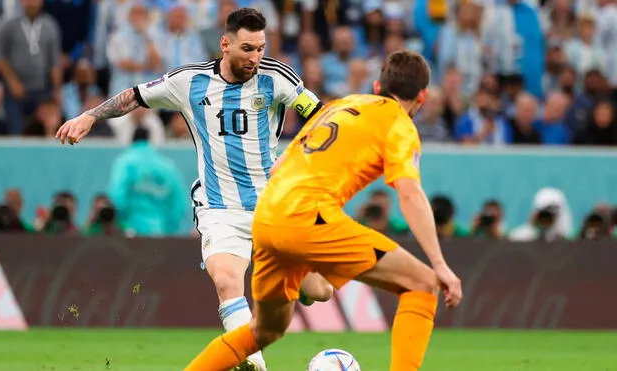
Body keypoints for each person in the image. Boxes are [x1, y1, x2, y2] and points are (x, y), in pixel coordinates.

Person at [55, 8, 333, 371]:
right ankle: (254, 364)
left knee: (320, 291)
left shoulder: (277, 78)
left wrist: (297, 153)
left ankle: (296, 290)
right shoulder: (188, 82)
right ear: (225, 44)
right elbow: (134, 96)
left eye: (261, 48)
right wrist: (89, 115)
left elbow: (325, 119)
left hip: (273, 205)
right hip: (220, 208)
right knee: (227, 279)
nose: (255, 58)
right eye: (247, 48)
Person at [183, 50, 463, 371]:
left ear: (376, 86)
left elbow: (279, 168)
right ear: (423, 96)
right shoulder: (398, 124)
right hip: (308, 214)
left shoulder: (338, 106)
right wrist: (440, 264)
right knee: (422, 284)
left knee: (265, 330)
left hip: (267, 215)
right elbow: (410, 193)